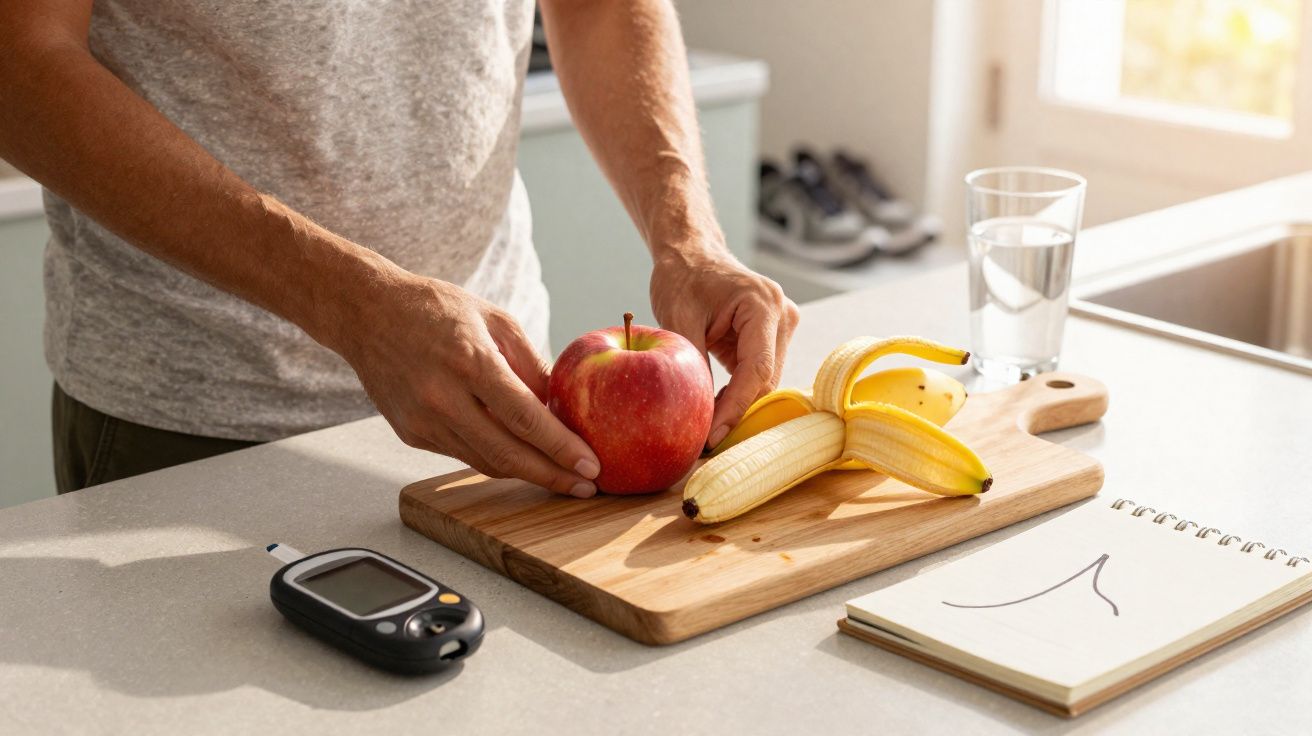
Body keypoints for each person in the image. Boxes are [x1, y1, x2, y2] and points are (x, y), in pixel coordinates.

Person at [0, 0, 799, 497]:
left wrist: (689, 236)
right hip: (197, 418)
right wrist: (354, 305)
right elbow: (19, 64)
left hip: (511, 414)